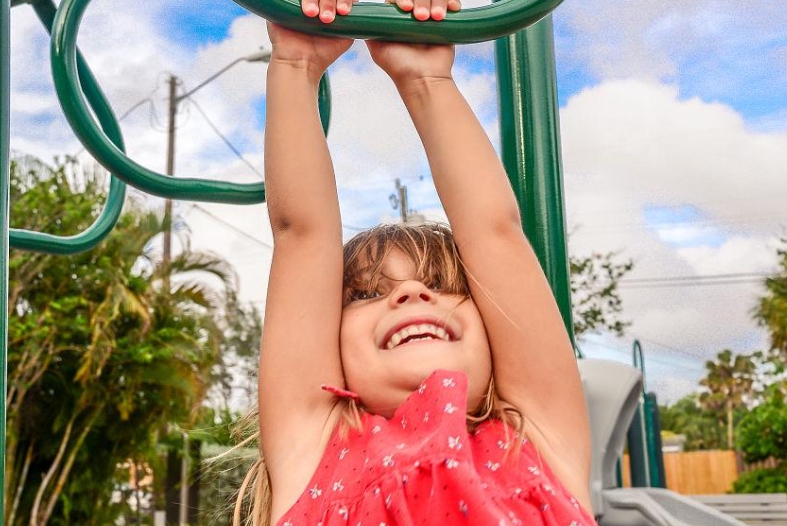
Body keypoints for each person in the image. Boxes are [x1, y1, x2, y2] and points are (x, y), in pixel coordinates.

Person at [237, 1, 597, 524]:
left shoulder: (537, 439)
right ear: (329, 349)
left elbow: (495, 234)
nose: (409, 294)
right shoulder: (314, 450)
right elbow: (302, 237)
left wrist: (427, 78)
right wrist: (295, 64)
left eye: (442, 283)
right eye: (364, 293)